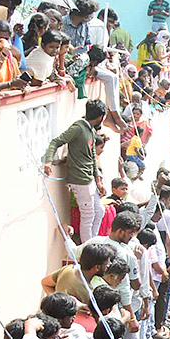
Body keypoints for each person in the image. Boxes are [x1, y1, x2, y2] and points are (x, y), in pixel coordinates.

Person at [43, 100, 108, 243]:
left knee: (100, 211)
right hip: (79, 180)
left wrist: (98, 181)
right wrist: (48, 161)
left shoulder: (90, 130)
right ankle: (88, 248)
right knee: (88, 215)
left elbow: (92, 157)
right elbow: (56, 141)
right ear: (100, 117)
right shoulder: (78, 128)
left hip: (89, 179)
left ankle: (92, 242)